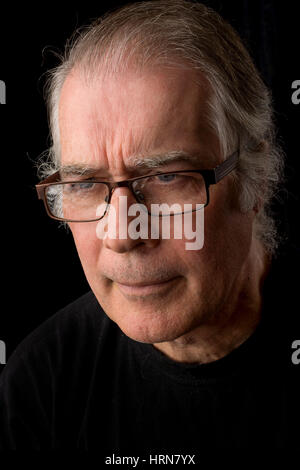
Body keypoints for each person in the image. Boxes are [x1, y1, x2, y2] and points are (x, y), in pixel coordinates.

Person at [0, 0, 299, 451]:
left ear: (254, 177)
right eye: (85, 183)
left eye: (165, 177)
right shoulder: (42, 383)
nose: (122, 234)